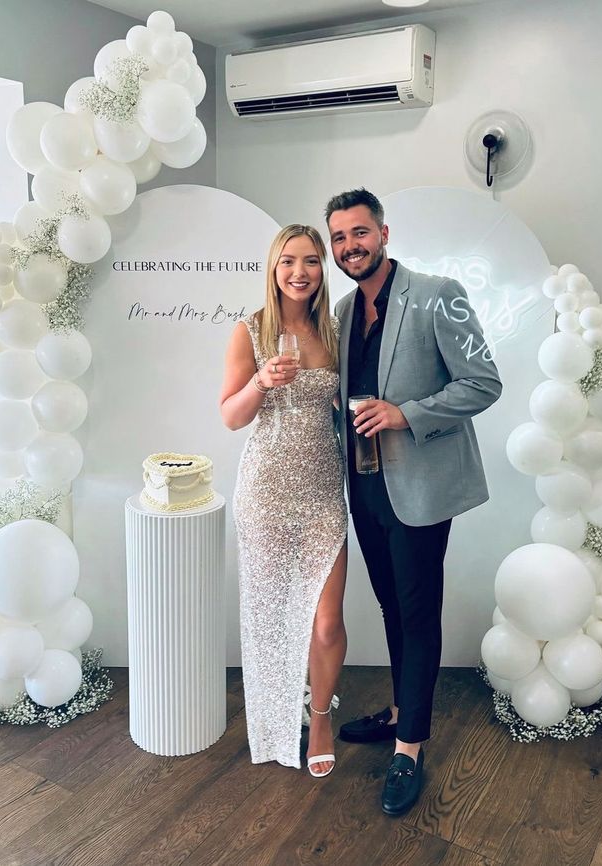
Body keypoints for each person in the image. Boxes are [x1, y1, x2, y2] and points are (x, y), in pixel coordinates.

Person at [325, 188, 502, 815]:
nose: (350, 246)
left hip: (422, 488)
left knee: (418, 611)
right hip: (364, 484)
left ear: (384, 233)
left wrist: (407, 414)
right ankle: (402, 708)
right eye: (340, 238)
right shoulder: (343, 312)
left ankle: (409, 747)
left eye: (359, 233)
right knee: (391, 607)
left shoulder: (438, 293)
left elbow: (484, 383)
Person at [220, 224, 348, 777]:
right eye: (289, 261)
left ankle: (318, 716)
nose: (301, 272)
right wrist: (262, 383)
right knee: (270, 613)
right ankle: (273, 719)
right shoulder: (249, 331)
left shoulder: (337, 331)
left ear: (323, 269)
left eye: (312, 261)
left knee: (325, 622)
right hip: (267, 489)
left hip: (323, 488)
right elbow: (230, 415)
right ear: (273, 268)